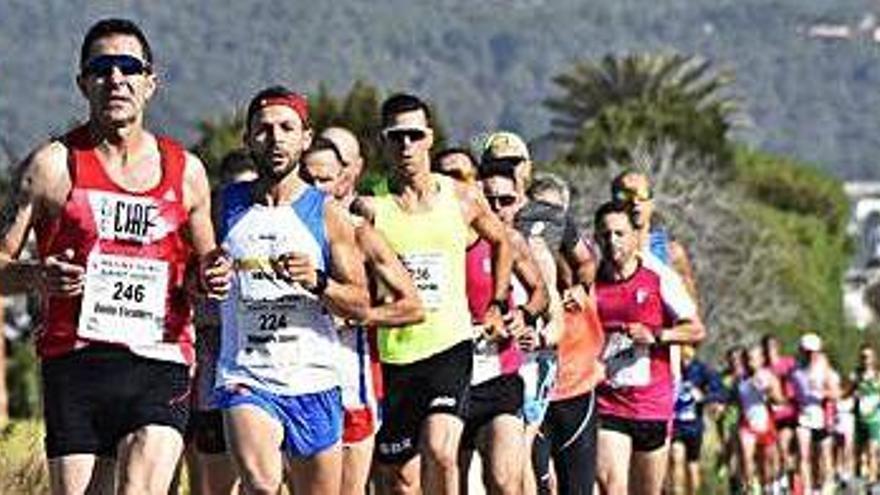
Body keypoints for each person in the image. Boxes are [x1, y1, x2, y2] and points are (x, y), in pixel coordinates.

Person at [0, 18, 230, 495]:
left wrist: (214, 273)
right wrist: (38, 275)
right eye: (102, 68)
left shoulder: (186, 171)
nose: (116, 79)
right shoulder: (50, 167)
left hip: (160, 357)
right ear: (83, 83)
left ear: (150, 82)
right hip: (76, 362)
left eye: (129, 67)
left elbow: (206, 267)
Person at [353, 93, 513, 495]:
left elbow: (503, 242)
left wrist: (496, 303)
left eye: (414, 135)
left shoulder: (461, 197)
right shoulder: (370, 206)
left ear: (429, 137)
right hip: (394, 355)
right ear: (383, 141)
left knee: (441, 450)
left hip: (449, 346)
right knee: (400, 477)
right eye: (396, 137)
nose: (406, 145)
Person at [214, 86, 370, 495]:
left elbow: (361, 302)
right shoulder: (222, 207)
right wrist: (204, 277)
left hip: (314, 379)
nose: (275, 138)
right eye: (263, 129)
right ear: (248, 139)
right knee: (263, 486)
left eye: (287, 128)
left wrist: (317, 281)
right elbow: (189, 270)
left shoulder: (328, 215)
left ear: (305, 138)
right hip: (246, 375)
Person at [301, 135, 426, 495]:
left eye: (324, 180)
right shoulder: (280, 231)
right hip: (288, 373)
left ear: (343, 180)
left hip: (349, 377)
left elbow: (413, 306)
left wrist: (360, 316)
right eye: (307, 179)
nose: (315, 188)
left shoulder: (362, 235)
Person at [592, 201, 705, 495]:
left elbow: (695, 329)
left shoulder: (658, 278)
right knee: (611, 485)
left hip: (651, 403)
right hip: (608, 401)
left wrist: (655, 335)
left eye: (619, 233)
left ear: (634, 236)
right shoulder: (590, 282)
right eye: (605, 235)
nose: (612, 241)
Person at [452, 162, 550, 495]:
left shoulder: (512, 242)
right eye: (488, 198)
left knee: (504, 480)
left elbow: (540, 293)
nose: (495, 208)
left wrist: (523, 314)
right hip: (451, 378)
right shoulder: (445, 241)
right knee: (453, 483)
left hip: (500, 376)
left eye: (504, 201)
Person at [187, 149, 257, 495]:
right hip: (214, 368)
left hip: (266, 366)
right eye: (234, 193)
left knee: (262, 478)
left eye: (249, 192)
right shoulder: (205, 238)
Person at [668, 345, 724, 495]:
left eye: (688, 357)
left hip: (694, 426)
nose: (685, 361)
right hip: (675, 425)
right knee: (676, 458)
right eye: (682, 356)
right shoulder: (670, 366)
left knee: (692, 466)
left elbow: (719, 392)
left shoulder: (701, 369)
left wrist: (704, 397)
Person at [791, 333, 840, 495]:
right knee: (803, 454)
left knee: (824, 454)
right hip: (803, 417)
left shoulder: (825, 368)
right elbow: (792, 392)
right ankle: (807, 489)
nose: (810, 355)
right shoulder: (795, 370)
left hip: (822, 417)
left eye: (813, 351)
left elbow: (836, 393)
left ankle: (827, 486)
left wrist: (822, 391)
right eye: (807, 351)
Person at [736, 344, 785, 495]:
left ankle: (767, 487)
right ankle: (750, 488)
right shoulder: (741, 378)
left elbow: (780, 400)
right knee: (746, 456)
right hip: (747, 424)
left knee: (766, 462)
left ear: (761, 359)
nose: (750, 362)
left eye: (753, 359)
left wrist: (768, 391)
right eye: (748, 359)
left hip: (765, 423)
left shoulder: (769, 376)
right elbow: (738, 402)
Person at [761, 334, 798, 491]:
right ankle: (777, 482)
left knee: (784, 447)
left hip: (788, 414)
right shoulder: (762, 369)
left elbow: (800, 380)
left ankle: (788, 482)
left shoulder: (789, 363)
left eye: (772, 347)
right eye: (767, 348)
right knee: (772, 454)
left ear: (778, 347)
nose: (770, 351)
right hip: (770, 416)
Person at [854, 344, 880, 485]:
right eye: (863, 357)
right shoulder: (857, 376)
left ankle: (873, 480)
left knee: (873, 450)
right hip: (859, 419)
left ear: (874, 358)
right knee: (859, 452)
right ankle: (862, 480)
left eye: (868, 357)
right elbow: (846, 392)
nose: (866, 360)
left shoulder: (878, 375)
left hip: (875, 420)